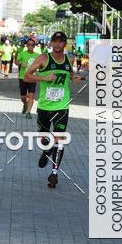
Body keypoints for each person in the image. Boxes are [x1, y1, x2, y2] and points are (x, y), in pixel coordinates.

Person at [25, 30, 84, 189]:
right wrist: (43, 78)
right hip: (44, 106)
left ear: (65, 44)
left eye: (61, 41)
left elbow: (69, 74)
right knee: (44, 140)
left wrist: (74, 78)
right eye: (55, 41)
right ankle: (46, 150)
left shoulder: (68, 59)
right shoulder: (43, 58)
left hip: (62, 106)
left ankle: (54, 174)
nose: (58, 44)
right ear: (51, 43)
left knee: (59, 139)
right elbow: (27, 76)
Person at [16, 37, 39, 117]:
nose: (30, 46)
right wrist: (20, 64)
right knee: (23, 97)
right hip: (23, 77)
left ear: (34, 46)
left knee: (31, 95)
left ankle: (28, 112)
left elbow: (42, 64)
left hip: (32, 78)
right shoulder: (22, 53)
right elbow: (16, 61)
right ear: (26, 45)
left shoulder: (37, 55)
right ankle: (25, 105)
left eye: (32, 45)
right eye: (29, 45)